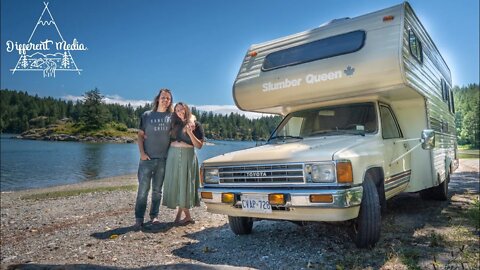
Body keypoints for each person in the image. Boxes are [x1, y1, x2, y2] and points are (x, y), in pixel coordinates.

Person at [134, 88, 173, 229]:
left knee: (157, 190)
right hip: (147, 160)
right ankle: (139, 218)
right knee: (143, 191)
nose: (165, 100)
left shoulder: (171, 116)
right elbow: (140, 135)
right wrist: (142, 154)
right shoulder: (147, 115)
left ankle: (154, 216)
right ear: (158, 99)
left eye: (168, 98)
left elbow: (187, 118)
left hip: (163, 160)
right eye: (163, 97)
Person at [162, 102, 204, 225]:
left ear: (187, 110)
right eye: (177, 110)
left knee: (184, 184)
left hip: (188, 156)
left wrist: (190, 132)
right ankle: (185, 216)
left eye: (182, 109)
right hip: (173, 155)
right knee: (177, 183)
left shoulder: (196, 125)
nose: (180, 112)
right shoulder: (173, 124)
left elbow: (199, 145)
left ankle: (183, 216)